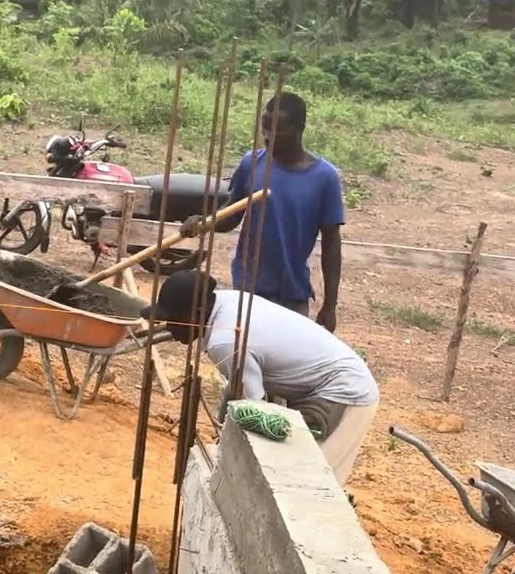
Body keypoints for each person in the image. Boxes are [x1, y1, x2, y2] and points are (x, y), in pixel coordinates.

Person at [142, 270, 378, 485]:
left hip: (343, 393)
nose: (169, 328)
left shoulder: (225, 341)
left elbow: (253, 409)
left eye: (173, 319)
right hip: (327, 383)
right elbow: (237, 389)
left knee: (309, 484)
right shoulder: (228, 301)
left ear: (198, 313)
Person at [180, 91, 345, 332]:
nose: (268, 137)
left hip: (292, 294)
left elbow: (332, 244)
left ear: (299, 128)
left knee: (285, 364)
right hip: (249, 289)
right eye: (265, 129)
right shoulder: (252, 164)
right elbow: (230, 217)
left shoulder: (324, 177)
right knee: (242, 358)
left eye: (278, 129)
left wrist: (330, 306)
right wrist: (202, 223)